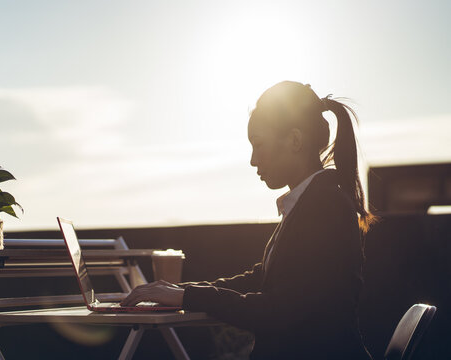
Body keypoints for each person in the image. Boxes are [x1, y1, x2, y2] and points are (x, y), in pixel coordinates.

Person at [121, 81, 376, 359]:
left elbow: (278, 310)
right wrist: (181, 291)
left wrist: (186, 297)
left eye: (259, 145)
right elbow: (263, 280)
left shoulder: (324, 207)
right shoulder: (314, 202)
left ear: (295, 140)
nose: (253, 160)